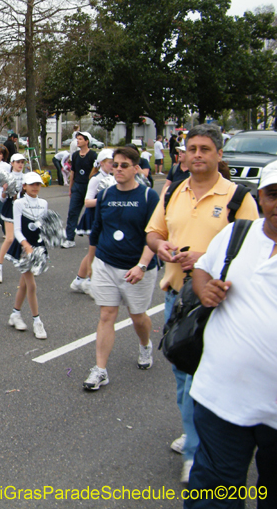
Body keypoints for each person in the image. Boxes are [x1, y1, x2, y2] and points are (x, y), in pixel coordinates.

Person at [145, 123, 259, 484]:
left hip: (221, 303)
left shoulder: (239, 198)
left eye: (205, 149)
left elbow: (257, 254)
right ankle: (194, 434)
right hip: (179, 299)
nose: (196, 154)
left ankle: (199, 451)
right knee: (184, 376)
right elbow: (154, 232)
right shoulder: (174, 191)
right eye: (191, 148)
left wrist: (206, 258)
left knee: (216, 377)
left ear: (219, 155)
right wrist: (159, 246)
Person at [183, 160, 277, 506]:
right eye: (273, 194)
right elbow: (202, 270)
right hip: (222, 398)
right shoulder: (238, 234)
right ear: (262, 197)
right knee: (214, 493)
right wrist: (206, 289)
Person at [81, 147, 160, 392]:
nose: (118, 169)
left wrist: (142, 266)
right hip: (106, 262)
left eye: (124, 165)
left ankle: (145, 344)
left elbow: (155, 235)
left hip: (137, 268)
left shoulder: (148, 197)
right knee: (107, 314)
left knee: (138, 316)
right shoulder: (105, 196)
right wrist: (93, 263)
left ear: (136, 168)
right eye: (115, 165)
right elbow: (97, 232)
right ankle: (100, 370)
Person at [6, 172, 50, 340]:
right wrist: (26, 247)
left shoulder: (44, 203)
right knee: (31, 286)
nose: (35, 187)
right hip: (24, 248)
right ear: (24, 186)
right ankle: (37, 321)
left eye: (38, 184)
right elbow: (17, 230)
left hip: (38, 247)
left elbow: (43, 227)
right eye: (31, 184)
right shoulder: (19, 203)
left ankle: (15, 314)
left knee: (24, 284)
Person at [70, 149, 115, 296]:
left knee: (95, 251)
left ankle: (79, 280)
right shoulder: (96, 179)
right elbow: (88, 201)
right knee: (96, 250)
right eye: (110, 162)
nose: (112, 165)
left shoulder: (111, 177)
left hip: (104, 217)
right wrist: (105, 199)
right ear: (101, 163)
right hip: (93, 218)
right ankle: (89, 280)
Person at [0, 153, 26, 283]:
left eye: (22, 162)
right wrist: (5, 190)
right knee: (10, 238)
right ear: (12, 163)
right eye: (18, 162)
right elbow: (2, 199)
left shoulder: (26, 177)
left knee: (25, 238)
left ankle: (27, 263)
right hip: (10, 209)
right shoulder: (7, 177)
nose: (20, 164)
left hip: (24, 209)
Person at [62, 132, 97, 248]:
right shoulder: (76, 155)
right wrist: (71, 188)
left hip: (89, 187)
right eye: (77, 139)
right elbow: (73, 172)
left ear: (87, 141)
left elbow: (96, 171)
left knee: (92, 214)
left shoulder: (93, 155)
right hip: (77, 186)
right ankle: (69, 238)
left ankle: (96, 238)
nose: (78, 141)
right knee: (72, 212)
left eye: (80, 139)